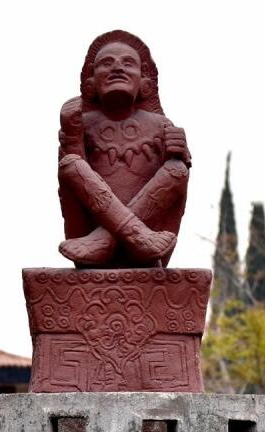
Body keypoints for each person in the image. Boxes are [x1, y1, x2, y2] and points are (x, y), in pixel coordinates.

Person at [57, 30, 191, 268]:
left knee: (177, 169)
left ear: (143, 81)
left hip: (147, 245)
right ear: (91, 82)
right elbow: (72, 188)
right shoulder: (83, 123)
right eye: (107, 63)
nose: (117, 68)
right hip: (92, 232)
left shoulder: (160, 124)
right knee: (70, 164)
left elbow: (176, 185)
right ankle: (135, 235)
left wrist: (180, 151)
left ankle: (106, 240)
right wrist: (72, 132)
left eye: (128, 63)